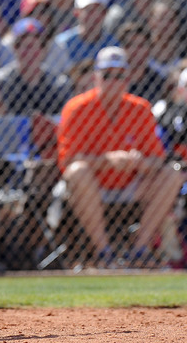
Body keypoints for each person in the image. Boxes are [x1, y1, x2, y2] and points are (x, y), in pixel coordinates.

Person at [57, 46, 183, 266]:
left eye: (119, 76)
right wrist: (107, 161)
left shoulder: (140, 108)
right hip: (92, 186)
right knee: (78, 171)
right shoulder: (76, 108)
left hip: (131, 184)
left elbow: (157, 158)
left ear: (128, 78)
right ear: (96, 77)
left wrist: (141, 163)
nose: (114, 82)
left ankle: (139, 250)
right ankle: (104, 252)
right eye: (107, 75)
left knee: (172, 174)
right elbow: (67, 161)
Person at [0, 18, 72, 117]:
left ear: (44, 50)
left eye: (36, 46)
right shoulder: (1, 82)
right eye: (26, 47)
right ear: (15, 49)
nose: (30, 53)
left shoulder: (58, 84)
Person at [43, 0, 120, 76]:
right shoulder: (61, 44)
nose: (95, 16)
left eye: (99, 10)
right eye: (89, 10)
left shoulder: (113, 44)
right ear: (76, 13)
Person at [116, 21, 165, 104]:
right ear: (122, 48)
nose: (135, 50)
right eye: (130, 44)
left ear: (149, 48)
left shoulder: (158, 83)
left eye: (141, 45)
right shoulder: (113, 79)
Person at [147, 0, 187, 78]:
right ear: (151, 21)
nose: (166, 24)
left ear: (177, 23)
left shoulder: (183, 50)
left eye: (171, 19)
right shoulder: (141, 48)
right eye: (161, 18)